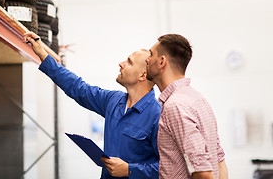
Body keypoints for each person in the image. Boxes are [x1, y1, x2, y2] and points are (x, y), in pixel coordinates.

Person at [24, 31, 161, 179]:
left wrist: (130, 170)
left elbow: (168, 168)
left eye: (129, 62)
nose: (121, 64)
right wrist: (43, 55)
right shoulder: (113, 100)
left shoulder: (157, 115)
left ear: (142, 75)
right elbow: (78, 88)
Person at [145, 34, 228, 179]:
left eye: (151, 54)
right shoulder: (198, 98)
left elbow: (203, 173)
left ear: (161, 62)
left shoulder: (175, 106)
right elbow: (219, 161)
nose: (147, 59)